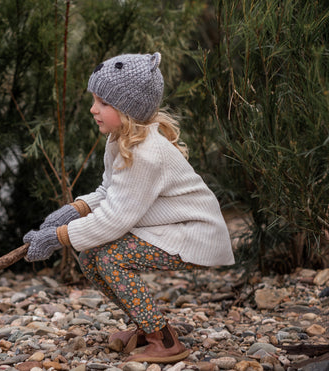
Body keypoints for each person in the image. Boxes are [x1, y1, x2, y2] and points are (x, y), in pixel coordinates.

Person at [23, 52, 235, 364]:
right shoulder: (123, 138)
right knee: (91, 257)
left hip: (193, 233)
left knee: (109, 257)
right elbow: (111, 192)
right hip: (170, 228)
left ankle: (164, 340)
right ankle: (144, 325)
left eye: (104, 103)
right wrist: (76, 209)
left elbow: (114, 219)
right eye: (95, 99)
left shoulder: (146, 154)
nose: (94, 109)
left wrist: (60, 236)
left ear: (129, 110)